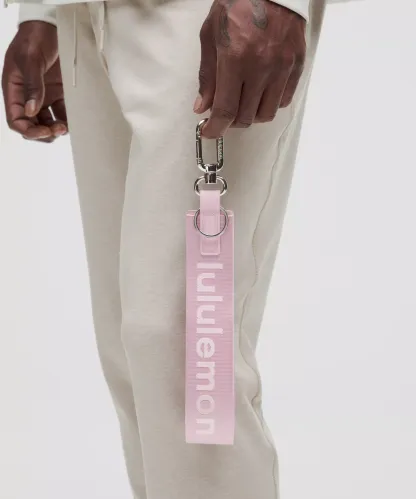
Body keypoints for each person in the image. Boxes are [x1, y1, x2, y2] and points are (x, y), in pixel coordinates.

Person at [2, 0, 356, 498]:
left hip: (207, 18)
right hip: (84, 17)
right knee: (132, 354)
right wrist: (40, 12)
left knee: (186, 357)